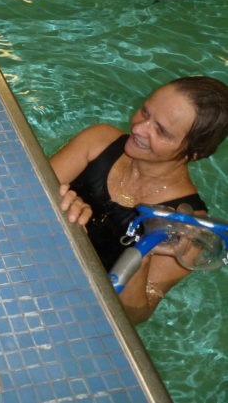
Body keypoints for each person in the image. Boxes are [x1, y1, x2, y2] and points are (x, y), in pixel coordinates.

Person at [50, 76, 228, 324]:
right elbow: (19, 190)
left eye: (162, 131)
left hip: (75, 299)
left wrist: (140, 258)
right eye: (145, 112)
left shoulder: (186, 227)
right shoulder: (98, 141)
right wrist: (57, 209)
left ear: (193, 154)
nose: (139, 128)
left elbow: (134, 315)